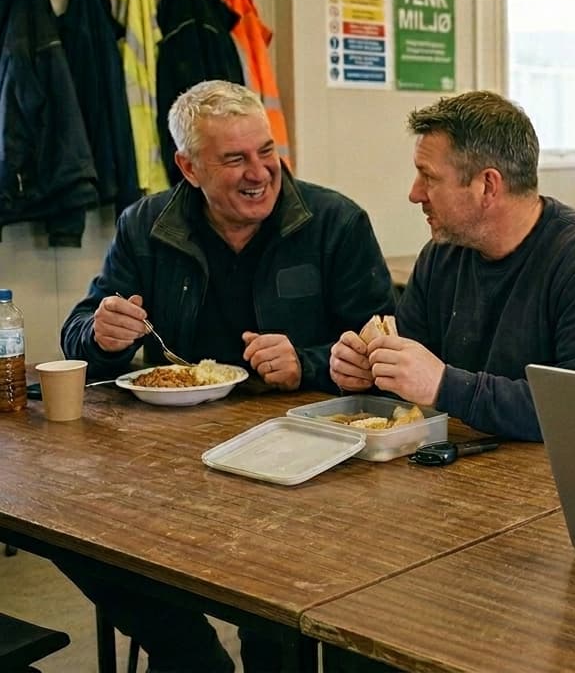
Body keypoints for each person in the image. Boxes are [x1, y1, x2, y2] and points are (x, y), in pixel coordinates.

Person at [56, 79, 395, 672]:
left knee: (274, 612)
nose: (259, 173)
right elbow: (81, 328)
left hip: (303, 462)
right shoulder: (145, 224)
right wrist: (101, 334)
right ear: (189, 168)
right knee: (77, 529)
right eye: (235, 159)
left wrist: (307, 361)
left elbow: (380, 344)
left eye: (267, 151)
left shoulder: (335, 222)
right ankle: (189, 655)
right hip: (172, 461)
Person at [328, 91, 575, 442]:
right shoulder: (441, 257)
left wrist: (445, 386)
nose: (415, 193)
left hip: (562, 471)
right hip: (463, 462)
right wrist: (368, 373)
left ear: (487, 186)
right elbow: (410, 384)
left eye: (428, 177)